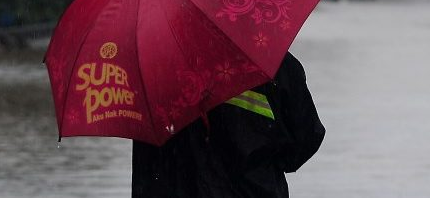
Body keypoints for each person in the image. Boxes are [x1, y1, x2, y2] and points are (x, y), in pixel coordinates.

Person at [132, 52, 325, 198]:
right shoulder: (270, 62)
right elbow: (305, 138)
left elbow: (146, 166)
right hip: (252, 190)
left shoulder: (149, 69)